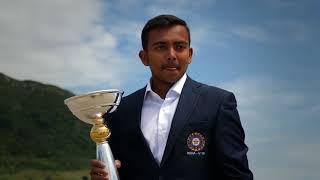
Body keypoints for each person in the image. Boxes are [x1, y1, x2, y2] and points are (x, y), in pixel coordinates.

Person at [90, 14, 253, 180]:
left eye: (180, 47)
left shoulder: (218, 102)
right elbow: (115, 168)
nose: (171, 55)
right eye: (160, 47)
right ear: (144, 57)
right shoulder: (120, 110)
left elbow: (237, 174)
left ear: (189, 54)